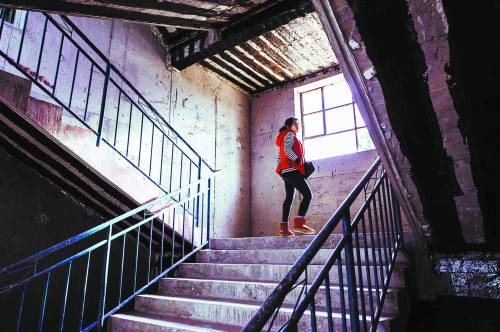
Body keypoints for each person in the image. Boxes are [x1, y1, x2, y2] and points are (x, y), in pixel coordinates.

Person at [275, 117, 316, 237]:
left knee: (289, 199)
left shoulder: (283, 137)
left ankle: (284, 229)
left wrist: (282, 169)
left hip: (286, 172)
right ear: (288, 126)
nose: (297, 127)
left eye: (298, 124)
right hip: (292, 171)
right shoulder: (289, 135)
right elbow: (287, 151)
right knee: (308, 195)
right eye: (295, 124)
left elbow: (280, 157)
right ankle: (299, 223)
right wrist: (297, 160)